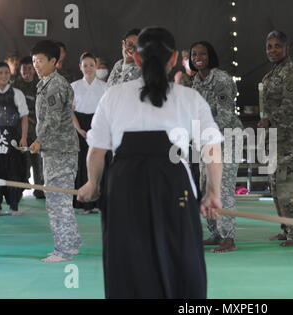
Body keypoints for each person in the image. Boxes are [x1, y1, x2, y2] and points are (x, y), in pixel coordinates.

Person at [77, 26, 223, 298]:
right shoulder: (189, 98)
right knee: (180, 258)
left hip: (123, 188)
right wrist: (212, 192)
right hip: (173, 186)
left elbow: (97, 151)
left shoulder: (113, 95)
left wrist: (92, 183)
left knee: (128, 263)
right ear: (174, 59)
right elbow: (211, 147)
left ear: (137, 58)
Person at [258, 30, 293, 247]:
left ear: (287, 48)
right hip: (276, 140)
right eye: (269, 46)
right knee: (277, 186)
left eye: (277, 46)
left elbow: (292, 106)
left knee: (291, 187)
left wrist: (270, 120)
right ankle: (287, 228)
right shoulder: (271, 75)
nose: (273, 50)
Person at [30, 40, 81, 262]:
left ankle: (65, 249)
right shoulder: (44, 83)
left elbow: (50, 121)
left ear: (54, 61)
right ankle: (72, 243)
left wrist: (39, 141)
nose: (36, 65)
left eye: (40, 60)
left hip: (60, 150)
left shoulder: (55, 85)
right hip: (54, 150)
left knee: (58, 200)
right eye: (34, 61)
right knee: (58, 198)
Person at [191, 41, 243, 252]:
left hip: (227, 137)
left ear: (210, 56)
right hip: (207, 141)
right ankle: (215, 233)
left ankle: (228, 238)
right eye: (194, 54)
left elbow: (225, 114)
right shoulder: (196, 81)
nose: (197, 57)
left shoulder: (221, 79)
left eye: (202, 53)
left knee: (223, 187)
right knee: (206, 186)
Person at [71, 52, 106, 214]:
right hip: (80, 127)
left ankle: (99, 203)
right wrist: (79, 129)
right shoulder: (74, 86)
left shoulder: (105, 87)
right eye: (85, 65)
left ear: (96, 66)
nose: (88, 68)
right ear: (80, 67)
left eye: (91, 65)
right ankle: (84, 204)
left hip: (99, 126)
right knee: (82, 164)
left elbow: (107, 111)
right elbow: (69, 111)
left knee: (100, 163)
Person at [0, 62, 29, 216]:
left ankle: (14, 205)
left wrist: (23, 137)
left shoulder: (17, 93)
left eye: (6, 72)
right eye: (0, 73)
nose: (4, 76)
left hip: (13, 139)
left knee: (14, 171)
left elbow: (24, 117)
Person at [13, 56, 45, 199]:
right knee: (21, 161)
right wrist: (28, 116)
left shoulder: (40, 84)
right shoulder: (14, 86)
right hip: (21, 130)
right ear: (20, 70)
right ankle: (19, 188)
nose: (27, 71)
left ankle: (39, 188)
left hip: (38, 130)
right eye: (24, 69)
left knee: (38, 161)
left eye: (29, 68)